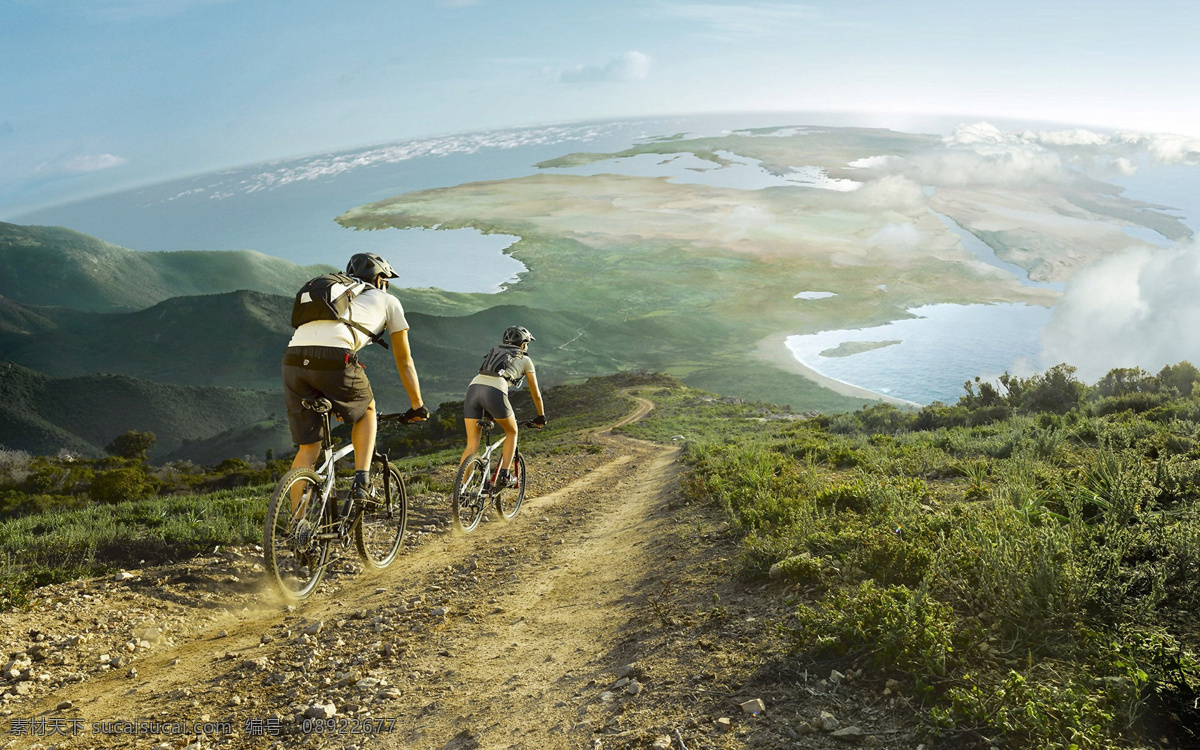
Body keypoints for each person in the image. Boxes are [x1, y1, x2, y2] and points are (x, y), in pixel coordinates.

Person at [282, 252, 428, 507]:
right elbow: (405, 361)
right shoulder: (388, 300)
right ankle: (363, 483)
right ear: (381, 278)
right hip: (334, 357)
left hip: (292, 360)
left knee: (308, 450)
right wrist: (417, 406)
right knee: (367, 409)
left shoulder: (338, 294)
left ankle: (298, 526)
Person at [460, 325, 546, 488]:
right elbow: (536, 394)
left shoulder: (495, 351)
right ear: (522, 344)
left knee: (472, 445)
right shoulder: (526, 360)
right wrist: (541, 416)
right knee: (512, 431)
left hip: (473, 389)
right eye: (527, 344)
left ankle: (461, 490)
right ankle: (505, 475)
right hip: (494, 392)